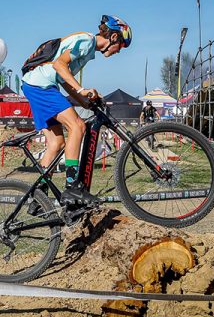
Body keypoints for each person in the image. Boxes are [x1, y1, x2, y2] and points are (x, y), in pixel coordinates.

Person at [20, 15, 132, 206]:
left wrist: (86, 101)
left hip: (36, 84)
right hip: (41, 85)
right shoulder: (87, 41)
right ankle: (72, 186)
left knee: (56, 143)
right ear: (113, 37)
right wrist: (82, 90)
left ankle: (38, 196)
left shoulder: (87, 51)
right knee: (77, 126)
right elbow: (59, 65)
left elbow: (65, 80)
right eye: (121, 46)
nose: (118, 52)